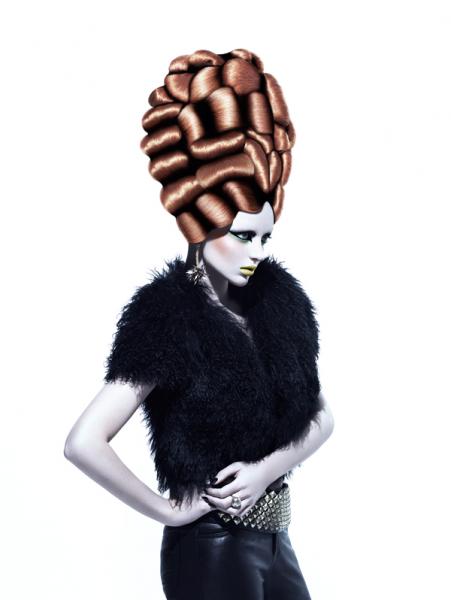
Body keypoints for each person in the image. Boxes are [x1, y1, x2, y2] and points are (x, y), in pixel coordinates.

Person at [64, 48, 334, 600]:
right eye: (242, 235)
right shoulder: (169, 319)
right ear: (200, 228)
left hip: (278, 543)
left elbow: (321, 417)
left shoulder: (278, 306)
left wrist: (264, 471)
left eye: (265, 237)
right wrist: (167, 510)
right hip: (210, 549)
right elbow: (84, 442)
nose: (257, 252)